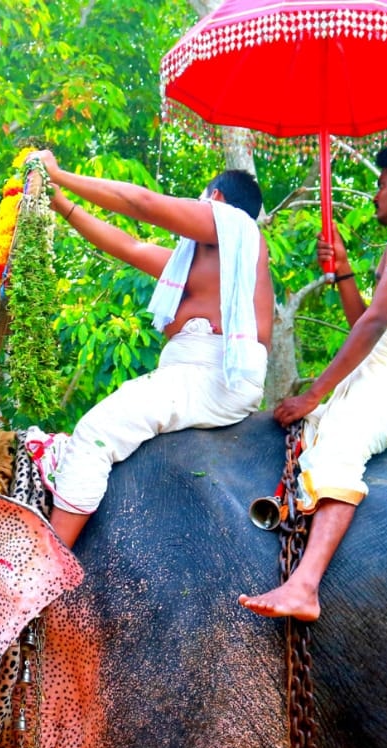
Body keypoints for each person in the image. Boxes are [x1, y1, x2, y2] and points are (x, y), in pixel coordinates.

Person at [239, 144, 387, 621]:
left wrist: (315, 393)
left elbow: (374, 326)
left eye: (380, 184)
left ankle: (305, 587)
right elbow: (367, 324)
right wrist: (344, 271)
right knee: (308, 434)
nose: (375, 195)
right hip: (384, 363)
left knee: (336, 451)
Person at [26, 150, 274, 548]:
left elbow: (144, 204)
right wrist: (61, 203)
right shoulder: (199, 261)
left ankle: (44, 568)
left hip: (213, 376)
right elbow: (130, 246)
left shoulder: (233, 224)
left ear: (218, 200)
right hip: (194, 376)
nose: (192, 209)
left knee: (93, 434)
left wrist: (61, 174)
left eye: (200, 198)